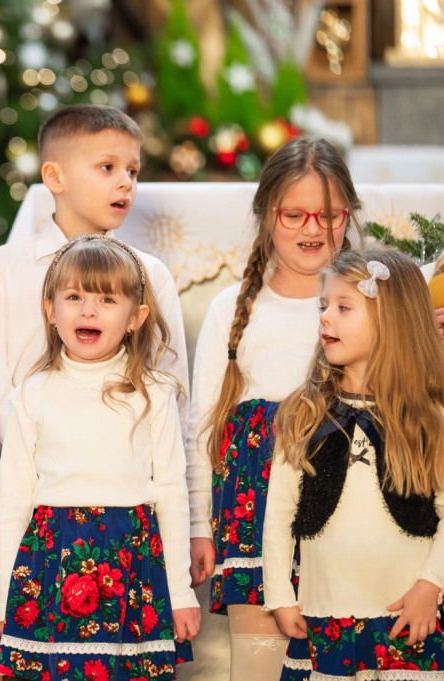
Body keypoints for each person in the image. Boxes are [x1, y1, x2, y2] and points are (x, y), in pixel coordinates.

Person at [186, 136, 360, 680]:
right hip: (251, 517)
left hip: (348, 512)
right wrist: (198, 525)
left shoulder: (368, 306)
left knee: (342, 663)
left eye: (329, 215)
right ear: (266, 214)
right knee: (259, 668)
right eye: (294, 214)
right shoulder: (231, 309)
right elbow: (202, 427)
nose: (313, 228)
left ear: (348, 215)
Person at [0, 235, 199, 680]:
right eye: (73, 297)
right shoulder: (32, 394)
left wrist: (181, 592)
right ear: (51, 311)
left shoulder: (155, 393)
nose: (87, 310)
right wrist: (3, 593)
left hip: (132, 563)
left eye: (107, 299)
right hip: (52, 559)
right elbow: (12, 499)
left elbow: (171, 493)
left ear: (135, 318)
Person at [264, 248, 444, 680]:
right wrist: (280, 595)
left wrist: (430, 587)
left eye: (344, 307)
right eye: (324, 306)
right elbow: (280, 513)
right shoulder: (304, 414)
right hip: (327, 613)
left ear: (393, 322)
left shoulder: (429, 418)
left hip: (409, 615)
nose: (326, 317)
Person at [0, 104, 189, 437]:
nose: (126, 183)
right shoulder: (2, 269)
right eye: (107, 167)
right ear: (55, 178)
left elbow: (172, 389)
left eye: (132, 171)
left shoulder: (150, 275)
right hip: (28, 467)